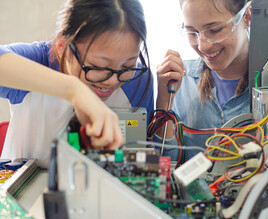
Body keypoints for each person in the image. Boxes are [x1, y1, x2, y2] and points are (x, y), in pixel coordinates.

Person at [0, 0, 154, 168]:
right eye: (97, 66)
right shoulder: (37, 61)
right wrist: (75, 90)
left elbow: (141, 164)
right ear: (61, 46)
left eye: (127, 66)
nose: (112, 81)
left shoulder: (138, 81)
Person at [155, 0, 252, 162]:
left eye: (215, 30)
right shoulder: (178, 82)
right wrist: (164, 103)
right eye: (192, 33)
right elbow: (168, 166)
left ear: (247, 17)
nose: (203, 46)